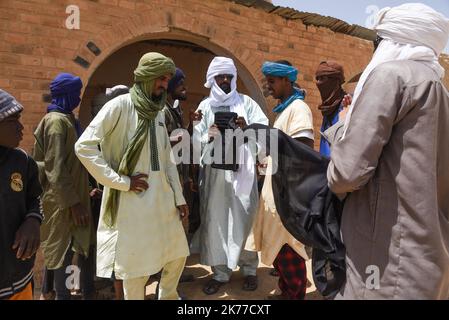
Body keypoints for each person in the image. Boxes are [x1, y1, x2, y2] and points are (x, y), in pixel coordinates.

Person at [327, 3, 449, 299]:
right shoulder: (439, 90)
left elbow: (345, 174)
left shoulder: (390, 76)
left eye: (376, 42)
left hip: (386, 261)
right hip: (427, 260)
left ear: (388, 41)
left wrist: (342, 128)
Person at [75, 52, 189, 300]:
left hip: (163, 199)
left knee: (177, 253)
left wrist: (179, 197)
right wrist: (120, 182)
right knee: (135, 268)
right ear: (145, 77)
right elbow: (83, 147)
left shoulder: (158, 112)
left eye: (167, 79)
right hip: (132, 202)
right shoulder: (119, 106)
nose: (163, 84)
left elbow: (167, 158)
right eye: (160, 78)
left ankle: (168, 296)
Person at [191, 56, 268, 295]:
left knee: (244, 217)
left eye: (228, 76)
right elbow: (194, 144)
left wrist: (247, 130)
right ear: (211, 79)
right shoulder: (204, 107)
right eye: (220, 76)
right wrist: (208, 135)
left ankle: (249, 270)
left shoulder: (247, 103)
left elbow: (264, 134)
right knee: (216, 222)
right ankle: (220, 273)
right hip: (215, 177)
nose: (224, 80)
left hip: (242, 174)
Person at [252, 60, 314, 300]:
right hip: (276, 188)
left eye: (272, 81)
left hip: (287, 192)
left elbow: (304, 147)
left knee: (289, 248)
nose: (269, 86)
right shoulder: (284, 111)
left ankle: (294, 295)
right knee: (279, 247)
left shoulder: (298, 108)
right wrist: (267, 162)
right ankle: (286, 291)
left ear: (287, 80)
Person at [33, 73, 95, 300]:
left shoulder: (67, 120)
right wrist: (73, 204)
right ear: (66, 94)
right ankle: (60, 295)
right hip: (61, 202)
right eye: (75, 94)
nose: (78, 99)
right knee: (61, 251)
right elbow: (56, 169)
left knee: (73, 248)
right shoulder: (57, 123)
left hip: (73, 197)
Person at [0, 90, 43, 300]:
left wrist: (33, 220)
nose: (21, 127)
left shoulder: (23, 162)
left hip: (20, 280)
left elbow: (35, 198)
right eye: (13, 120)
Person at [315, 61, 347, 157]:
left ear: (336, 81)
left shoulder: (346, 106)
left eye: (323, 78)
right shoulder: (327, 110)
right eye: (317, 78)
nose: (319, 83)